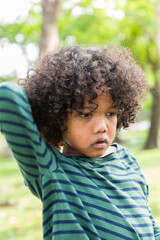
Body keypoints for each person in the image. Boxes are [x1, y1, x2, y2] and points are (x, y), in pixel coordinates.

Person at [0, 45, 160, 240]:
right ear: (57, 117)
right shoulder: (51, 170)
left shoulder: (127, 160)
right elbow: (7, 97)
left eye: (111, 113)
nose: (102, 126)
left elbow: (149, 224)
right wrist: (46, 131)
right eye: (85, 114)